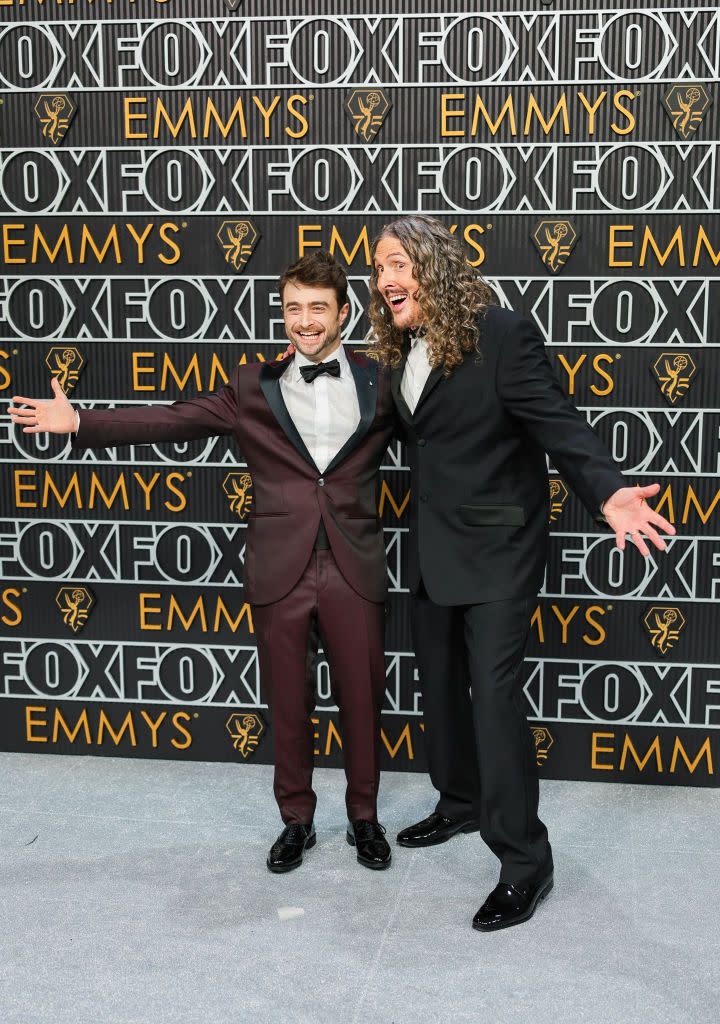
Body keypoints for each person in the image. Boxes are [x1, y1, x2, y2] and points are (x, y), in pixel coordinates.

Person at [8, 252, 396, 874]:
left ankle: (364, 818)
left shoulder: (382, 379)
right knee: (287, 705)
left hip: (356, 562)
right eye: (293, 307)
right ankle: (296, 821)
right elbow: (170, 420)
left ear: (343, 313)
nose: (304, 320)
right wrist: (79, 422)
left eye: (317, 308)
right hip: (279, 566)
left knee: (362, 699)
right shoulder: (250, 386)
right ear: (283, 313)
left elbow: (446, 438)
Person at [367, 214, 675, 930]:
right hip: (434, 552)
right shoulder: (400, 349)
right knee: (438, 688)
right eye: (378, 268)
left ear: (433, 264)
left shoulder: (502, 334)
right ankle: (460, 802)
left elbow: (556, 421)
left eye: (396, 264)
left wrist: (604, 489)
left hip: (500, 555)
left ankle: (525, 863)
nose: (385, 280)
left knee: (495, 701)